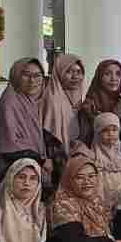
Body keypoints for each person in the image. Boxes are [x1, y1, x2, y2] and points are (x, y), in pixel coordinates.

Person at [0, 58, 53, 185]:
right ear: (15, 76)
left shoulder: (36, 101)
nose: (32, 80)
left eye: (37, 75)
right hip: (16, 170)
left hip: (33, 167)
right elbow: (10, 144)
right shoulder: (10, 103)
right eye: (26, 75)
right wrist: (42, 161)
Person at [71, 113, 121, 212]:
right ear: (97, 133)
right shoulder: (92, 156)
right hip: (102, 203)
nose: (111, 134)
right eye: (105, 130)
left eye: (114, 130)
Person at [41, 53, 86, 187]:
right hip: (57, 160)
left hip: (77, 156)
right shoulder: (52, 98)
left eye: (78, 72)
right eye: (69, 72)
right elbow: (49, 135)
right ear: (59, 72)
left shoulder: (81, 96)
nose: (75, 76)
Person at [78, 60, 121, 145]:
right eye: (107, 74)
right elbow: (84, 139)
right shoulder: (89, 106)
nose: (113, 78)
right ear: (99, 78)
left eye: (118, 74)